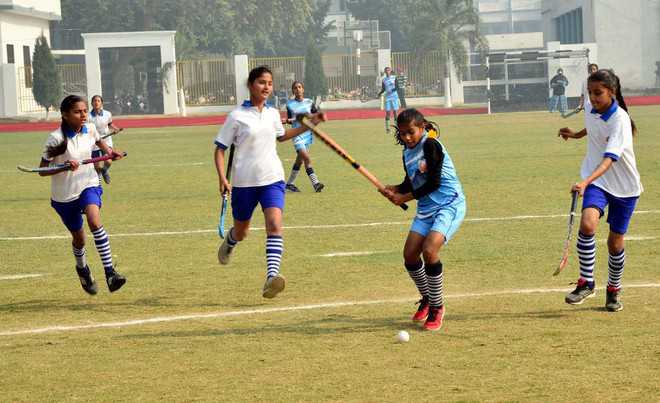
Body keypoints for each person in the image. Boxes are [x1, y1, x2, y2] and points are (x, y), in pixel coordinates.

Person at [214, 66, 326, 299]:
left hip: (272, 179)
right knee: (242, 231)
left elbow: (282, 136)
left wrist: (308, 124)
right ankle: (231, 240)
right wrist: (223, 178)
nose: (266, 87)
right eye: (261, 82)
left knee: (274, 224)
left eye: (270, 83)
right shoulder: (236, 116)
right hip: (244, 183)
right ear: (250, 85)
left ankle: (271, 277)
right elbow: (220, 149)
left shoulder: (273, 113)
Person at [558, 69, 642, 312]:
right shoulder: (590, 106)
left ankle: (613, 290)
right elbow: (593, 127)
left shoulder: (621, 120)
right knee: (588, 224)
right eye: (590, 93)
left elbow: (609, 158)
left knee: (615, 243)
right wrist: (576, 135)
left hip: (625, 187)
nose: (593, 98)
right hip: (598, 182)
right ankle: (586, 282)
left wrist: (584, 183)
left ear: (611, 92)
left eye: (598, 93)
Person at [380, 108, 466, 331]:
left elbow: (433, 182)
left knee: (429, 250)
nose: (407, 138)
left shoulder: (431, 145)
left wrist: (404, 198)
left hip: (449, 204)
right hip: (427, 207)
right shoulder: (406, 153)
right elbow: (413, 182)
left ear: (422, 127)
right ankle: (427, 297)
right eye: (402, 134)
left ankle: (437, 307)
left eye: (411, 132)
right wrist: (394, 189)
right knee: (409, 255)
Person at [38, 95, 127, 295]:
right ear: (65, 115)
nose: (83, 114)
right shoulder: (56, 138)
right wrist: (64, 167)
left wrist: (113, 153)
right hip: (64, 195)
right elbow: (42, 171)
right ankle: (82, 269)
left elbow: (105, 148)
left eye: (85, 110)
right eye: (78, 112)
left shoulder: (91, 129)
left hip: (88, 184)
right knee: (80, 240)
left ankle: (110, 273)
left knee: (95, 222)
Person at [284, 81, 325, 193]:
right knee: (306, 158)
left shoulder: (309, 102)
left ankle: (289, 184)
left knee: (300, 160)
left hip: (307, 134)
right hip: (296, 134)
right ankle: (316, 183)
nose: (298, 89)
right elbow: (290, 119)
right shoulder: (289, 104)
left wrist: (318, 116)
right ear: (293, 91)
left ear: (303, 89)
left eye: (299, 87)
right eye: (295, 88)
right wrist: (289, 120)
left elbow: (315, 115)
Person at [88, 95, 120, 184]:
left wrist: (115, 129)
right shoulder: (88, 116)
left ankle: (105, 170)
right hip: (94, 143)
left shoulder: (107, 114)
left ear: (101, 103)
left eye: (98, 101)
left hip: (106, 141)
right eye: (94, 101)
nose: (96, 102)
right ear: (92, 103)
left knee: (108, 161)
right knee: (97, 166)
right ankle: (98, 182)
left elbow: (110, 124)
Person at [377, 67, 400, 134]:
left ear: (390, 71)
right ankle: (388, 129)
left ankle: (397, 129)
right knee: (388, 113)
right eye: (386, 70)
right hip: (388, 98)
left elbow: (397, 87)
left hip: (394, 97)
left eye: (388, 70)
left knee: (395, 112)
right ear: (385, 72)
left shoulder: (394, 77)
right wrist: (379, 94)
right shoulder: (384, 80)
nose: (387, 71)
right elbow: (383, 89)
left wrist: (391, 90)